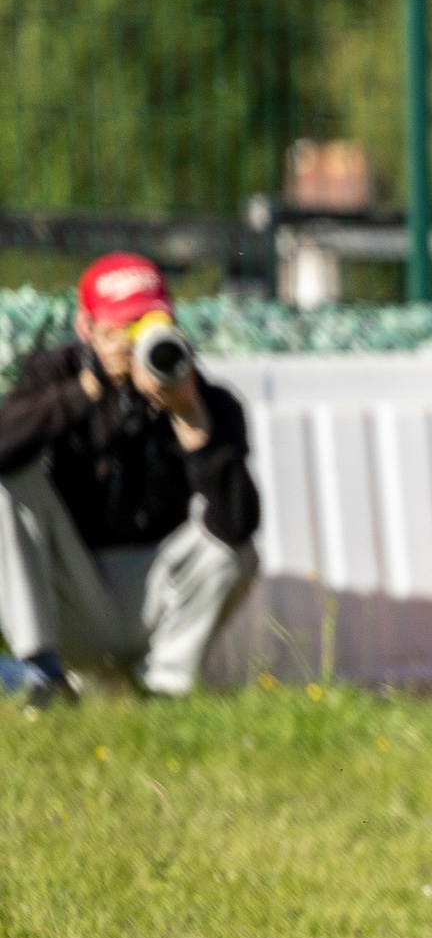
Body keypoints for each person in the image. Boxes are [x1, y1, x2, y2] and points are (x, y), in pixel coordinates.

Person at [0, 254, 260, 705]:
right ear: (87, 328)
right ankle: (41, 672)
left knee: (237, 549)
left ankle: (164, 688)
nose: (136, 340)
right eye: (122, 326)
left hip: (157, 591)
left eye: (149, 323)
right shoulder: (57, 373)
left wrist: (192, 422)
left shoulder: (206, 398)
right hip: (71, 591)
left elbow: (238, 527)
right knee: (7, 483)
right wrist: (89, 388)